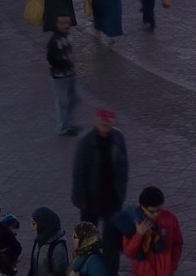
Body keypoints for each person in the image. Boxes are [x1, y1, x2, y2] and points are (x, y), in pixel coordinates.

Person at [71, 108, 129, 274]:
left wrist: (121, 193)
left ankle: (111, 271)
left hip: (112, 199)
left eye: (108, 124)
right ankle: (86, 268)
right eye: (102, 124)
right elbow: (78, 172)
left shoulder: (118, 139)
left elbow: (123, 168)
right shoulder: (85, 143)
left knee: (112, 241)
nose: (105, 128)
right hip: (90, 200)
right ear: (97, 122)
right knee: (87, 239)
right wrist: (79, 198)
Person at [120, 185, 184, 276]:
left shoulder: (170, 218)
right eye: (152, 211)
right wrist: (139, 234)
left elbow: (178, 243)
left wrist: (173, 264)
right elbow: (129, 253)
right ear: (143, 207)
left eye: (159, 209)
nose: (156, 214)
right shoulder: (132, 222)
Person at [48, 13, 80, 136]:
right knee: (62, 102)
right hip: (60, 76)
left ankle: (67, 124)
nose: (66, 25)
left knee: (73, 99)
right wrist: (66, 61)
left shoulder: (67, 37)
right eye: (62, 23)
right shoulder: (54, 41)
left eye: (67, 22)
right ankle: (63, 128)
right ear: (57, 24)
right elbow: (51, 59)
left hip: (69, 73)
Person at [26, 206, 69, 276]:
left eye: (34, 224)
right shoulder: (38, 240)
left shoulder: (58, 247)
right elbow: (33, 268)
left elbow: (61, 273)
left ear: (44, 224)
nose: (32, 228)